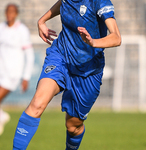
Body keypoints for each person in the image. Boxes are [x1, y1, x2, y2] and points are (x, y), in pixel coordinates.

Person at [13, 0, 121, 149]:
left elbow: (116, 37)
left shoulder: (99, 2)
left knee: (73, 126)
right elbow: (63, 3)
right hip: (61, 56)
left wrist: (92, 42)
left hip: (88, 69)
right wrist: (42, 20)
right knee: (37, 104)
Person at [0, 3, 34, 142]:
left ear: (16, 14)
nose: (9, 14)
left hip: (12, 73)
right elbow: (1, 48)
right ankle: (1, 116)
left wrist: (26, 77)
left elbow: (29, 54)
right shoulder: (0, 28)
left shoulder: (22, 30)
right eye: (7, 11)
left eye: (12, 11)